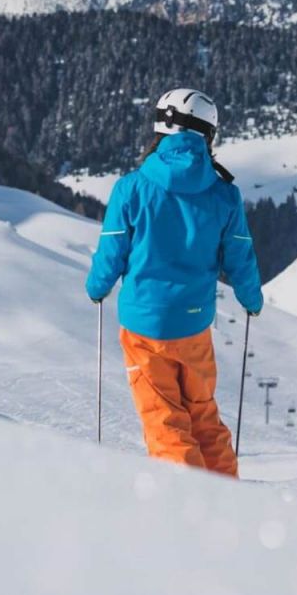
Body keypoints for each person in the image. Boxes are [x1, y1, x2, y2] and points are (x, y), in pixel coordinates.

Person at [86, 88, 264, 477]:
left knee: (164, 420)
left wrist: (97, 287)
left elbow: (112, 252)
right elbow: (240, 258)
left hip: (143, 326)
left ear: (160, 129)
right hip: (195, 325)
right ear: (207, 135)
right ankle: (230, 497)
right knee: (203, 416)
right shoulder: (224, 195)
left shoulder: (131, 188)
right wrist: (252, 299)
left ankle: (190, 512)